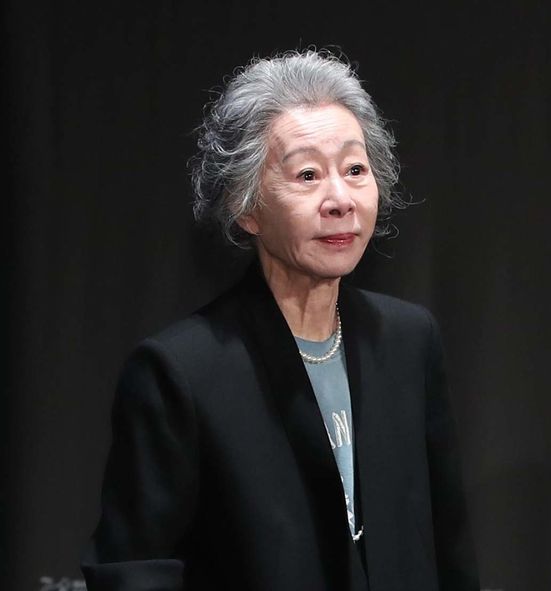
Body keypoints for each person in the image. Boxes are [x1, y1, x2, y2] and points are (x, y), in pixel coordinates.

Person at [82, 49, 478, 591]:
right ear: (246, 206)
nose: (340, 199)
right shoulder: (181, 372)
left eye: (355, 170)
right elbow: (135, 568)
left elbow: (450, 548)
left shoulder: (408, 340)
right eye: (307, 175)